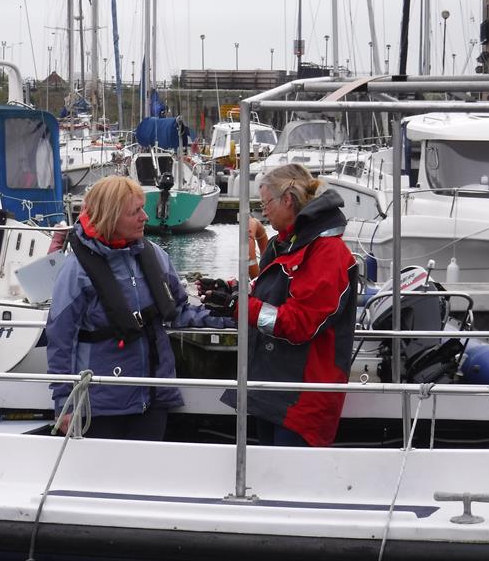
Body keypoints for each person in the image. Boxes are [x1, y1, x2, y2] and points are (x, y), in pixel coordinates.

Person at [46, 175, 234, 440]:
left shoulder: (154, 256)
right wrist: (64, 401)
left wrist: (232, 318)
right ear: (111, 216)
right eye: (135, 211)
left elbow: (179, 310)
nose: (145, 217)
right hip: (102, 403)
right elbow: (60, 338)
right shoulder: (76, 270)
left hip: (153, 395)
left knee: (148, 476)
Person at [210, 164, 358, 447]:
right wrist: (231, 292)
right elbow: (266, 295)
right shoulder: (288, 245)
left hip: (301, 399)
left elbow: (300, 324)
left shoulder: (328, 253)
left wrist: (239, 307)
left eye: (265, 203)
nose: (263, 212)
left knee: (287, 482)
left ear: (287, 201)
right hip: (274, 390)